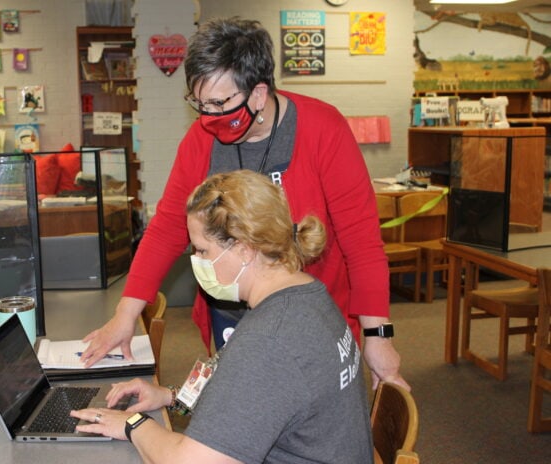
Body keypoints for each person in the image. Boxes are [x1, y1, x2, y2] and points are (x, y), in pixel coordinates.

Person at [81, 16, 409, 391]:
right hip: (231, 314)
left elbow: (362, 241)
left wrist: (378, 335)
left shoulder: (322, 128)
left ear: (258, 92)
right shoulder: (200, 139)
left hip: (311, 319)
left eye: (220, 103)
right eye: (200, 102)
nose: (208, 117)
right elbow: (167, 228)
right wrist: (126, 314)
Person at [71, 170, 374, 463]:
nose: (196, 261)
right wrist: (169, 397)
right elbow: (267, 396)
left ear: (243, 249)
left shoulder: (270, 339)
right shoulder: (310, 295)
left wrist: (132, 424)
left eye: (202, 250)